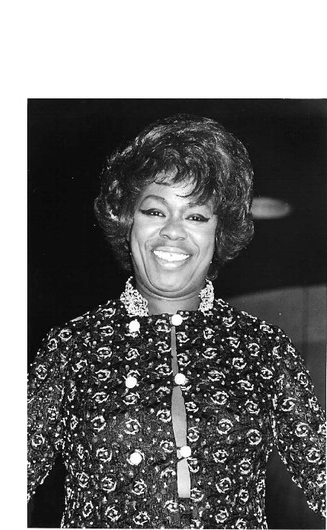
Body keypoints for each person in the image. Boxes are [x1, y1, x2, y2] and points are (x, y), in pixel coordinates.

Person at [27, 114, 326, 528]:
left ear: (219, 233)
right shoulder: (72, 347)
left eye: (196, 216)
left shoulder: (264, 348)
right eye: (155, 211)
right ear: (128, 221)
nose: (173, 231)